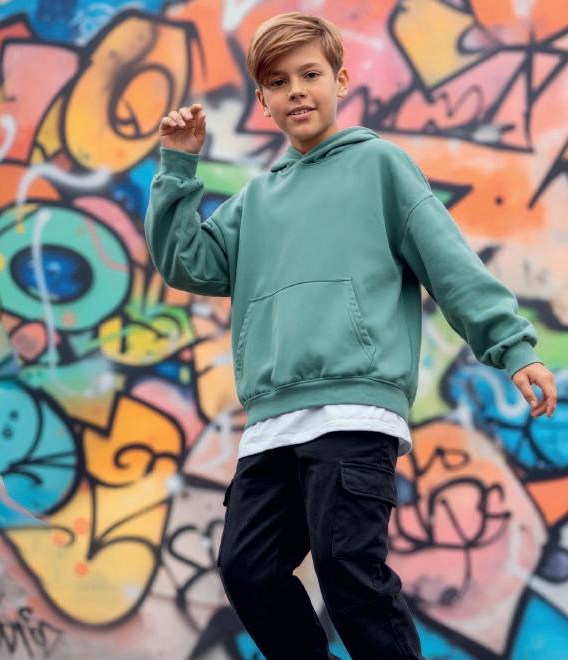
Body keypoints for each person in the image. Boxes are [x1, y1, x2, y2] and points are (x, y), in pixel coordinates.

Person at [144, 12, 557, 660]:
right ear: (263, 101)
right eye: (278, 82)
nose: (296, 91)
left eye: (310, 74)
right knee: (247, 571)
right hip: (272, 423)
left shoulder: (379, 167)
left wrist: (513, 348)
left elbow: (449, 265)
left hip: (353, 410)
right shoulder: (256, 199)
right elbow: (186, 263)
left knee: (346, 570)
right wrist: (177, 164)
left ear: (338, 80)